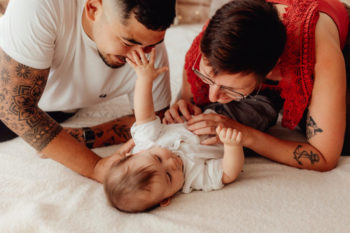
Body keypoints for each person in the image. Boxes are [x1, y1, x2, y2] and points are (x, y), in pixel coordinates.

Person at [0, 0, 176, 182]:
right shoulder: (41, 5)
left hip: (59, 109)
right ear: (93, 9)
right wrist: (95, 167)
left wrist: (85, 136)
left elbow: (154, 124)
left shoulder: (150, 50)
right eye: (128, 42)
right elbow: (14, 107)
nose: (139, 56)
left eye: (151, 45)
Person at [163, 0, 350, 171]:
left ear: (269, 72)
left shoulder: (321, 58)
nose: (213, 96)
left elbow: (324, 157)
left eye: (230, 88)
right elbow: (191, 98)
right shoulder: (220, 35)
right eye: (208, 79)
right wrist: (181, 104)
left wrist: (245, 135)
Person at [104, 48, 245, 213]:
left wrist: (144, 79)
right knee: (260, 108)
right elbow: (227, 174)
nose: (171, 163)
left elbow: (144, 114)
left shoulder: (147, 142)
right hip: (235, 124)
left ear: (135, 153)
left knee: (222, 74)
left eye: (158, 158)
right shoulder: (192, 178)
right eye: (169, 177)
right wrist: (232, 146)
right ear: (166, 199)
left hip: (202, 107)